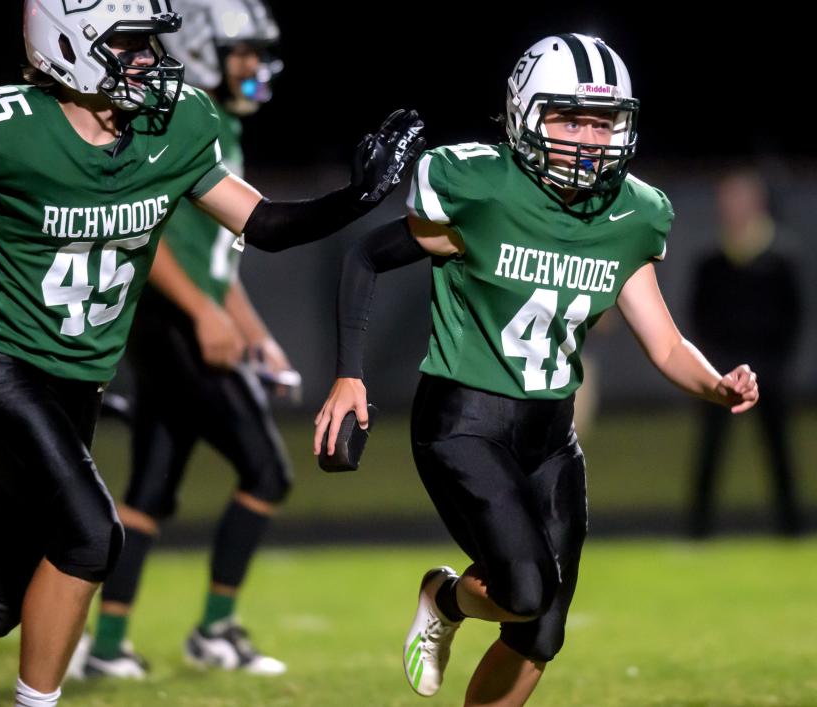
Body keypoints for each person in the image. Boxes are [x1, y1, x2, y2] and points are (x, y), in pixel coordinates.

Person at [0, 1, 424, 705]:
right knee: (92, 537)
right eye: (128, 43)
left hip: (78, 384)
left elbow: (263, 222)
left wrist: (354, 198)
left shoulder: (173, 125)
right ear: (65, 45)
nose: (151, 61)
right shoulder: (1, 128)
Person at [313, 33, 759, 707]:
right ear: (524, 114)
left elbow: (665, 344)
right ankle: (444, 595)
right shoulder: (482, 189)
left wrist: (715, 383)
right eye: (569, 117)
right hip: (463, 421)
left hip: (552, 434)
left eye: (602, 121)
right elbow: (365, 257)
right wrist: (351, 372)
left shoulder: (631, 214)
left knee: (541, 633)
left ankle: (458, 612)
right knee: (524, 591)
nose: (588, 137)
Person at [78, 0, 294, 679]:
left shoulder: (216, 122)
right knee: (266, 469)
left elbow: (215, 260)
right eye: (243, 52)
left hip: (179, 315)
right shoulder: (177, 116)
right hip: (169, 319)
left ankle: (107, 645)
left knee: (151, 485)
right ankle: (215, 628)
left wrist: (257, 333)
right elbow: (149, 229)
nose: (253, 67)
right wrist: (204, 315)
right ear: (205, 50)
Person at [689, 169, 802, 538]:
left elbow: (794, 314)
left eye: (740, 198)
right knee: (710, 451)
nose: (732, 207)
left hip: (768, 369)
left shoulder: (781, 257)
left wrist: (775, 364)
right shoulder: (712, 261)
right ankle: (697, 531)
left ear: (757, 203)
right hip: (720, 369)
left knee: (779, 452)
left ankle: (791, 530)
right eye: (727, 199)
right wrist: (713, 364)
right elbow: (699, 313)